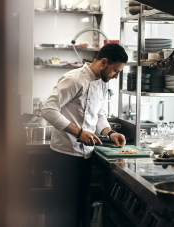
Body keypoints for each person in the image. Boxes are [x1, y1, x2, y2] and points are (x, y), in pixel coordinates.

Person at [42, 43, 128, 227]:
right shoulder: (74, 79)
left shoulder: (103, 83)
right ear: (104, 62)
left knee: (81, 212)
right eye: (115, 70)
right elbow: (48, 109)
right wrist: (78, 132)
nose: (116, 76)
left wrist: (110, 133)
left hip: (87, 155)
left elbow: (99, 115)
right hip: (65, 155)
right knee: (65, 214)